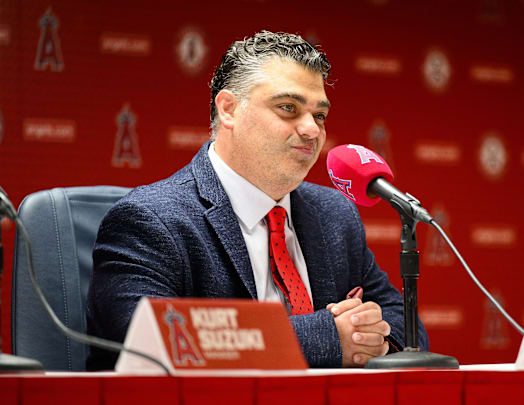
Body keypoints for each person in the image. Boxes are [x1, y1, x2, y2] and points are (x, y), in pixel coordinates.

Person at [86, 30, 428, 370]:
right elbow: (153, 346)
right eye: (289, 108)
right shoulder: (150, 219)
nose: (312, 130)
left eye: (319, 115)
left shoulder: (333, 214)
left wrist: (371, 335)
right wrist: (328, 336)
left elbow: (404, 324)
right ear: (229, 109)